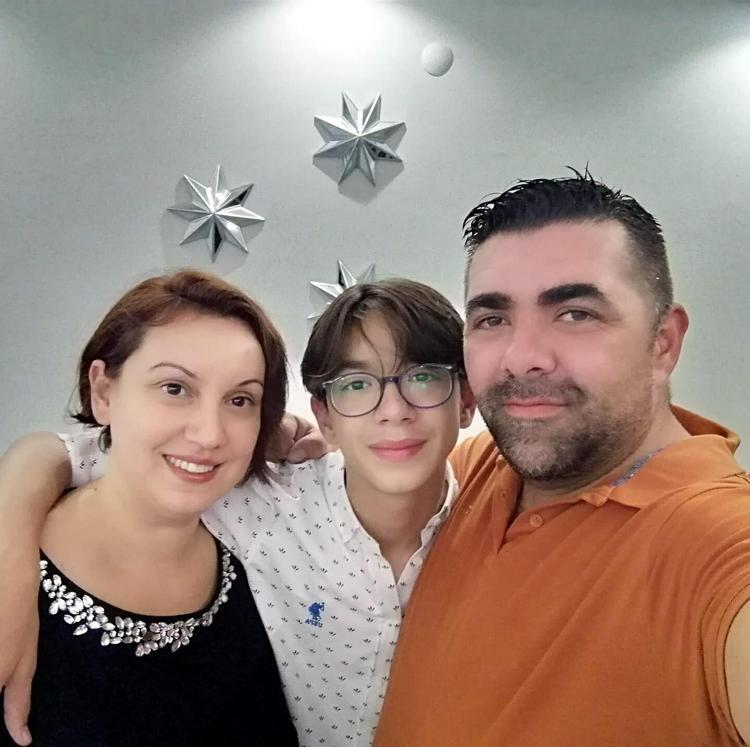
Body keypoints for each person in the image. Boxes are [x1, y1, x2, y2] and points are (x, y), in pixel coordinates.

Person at [0, 278, 475, 746]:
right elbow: (83, 453)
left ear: (467, 400)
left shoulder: (496, 522)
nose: (393, 411)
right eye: (174, 388)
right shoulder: (266, 504)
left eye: (424, 377)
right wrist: (11, 551)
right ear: (324, 415)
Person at [373, 172, 750, 744]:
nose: (522, 357)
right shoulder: (472, 469)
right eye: (493, 319)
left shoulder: (714, 541)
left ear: (663, 343)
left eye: (575, 313)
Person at [0, 269, 298, 745]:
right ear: (103, 393)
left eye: (240, 400)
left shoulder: (261, 561)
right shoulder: (13, 572)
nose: (209, 434)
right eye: (175, 388)